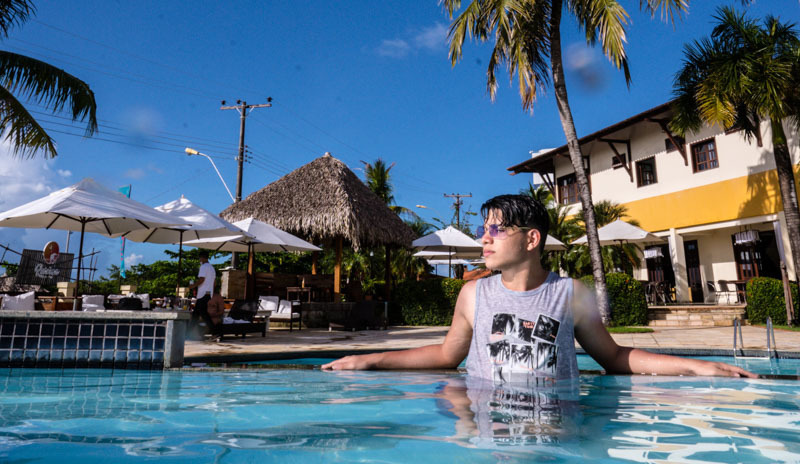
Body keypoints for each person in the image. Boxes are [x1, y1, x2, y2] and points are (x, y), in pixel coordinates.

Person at [323, 193, 754, 380]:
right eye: (483, 228)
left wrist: (698, 367)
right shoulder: (473, 293)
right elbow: (445, 355)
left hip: (557, 428)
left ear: (531, 239)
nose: (484, 238)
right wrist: (372, 359)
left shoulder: (570, 293)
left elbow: (615, 357)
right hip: (486, 425)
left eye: (496, 229)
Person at [191, 251, 216, 335]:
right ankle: (188, 332)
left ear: (202, 258)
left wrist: (193, 285)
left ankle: (215, 332)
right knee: (196, 314)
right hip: (209, 293)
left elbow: (202, 279)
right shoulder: (212, 268)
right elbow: (214, 282)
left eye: (199, 258)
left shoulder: (203, 267)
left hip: (203, 293)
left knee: (203, 313)